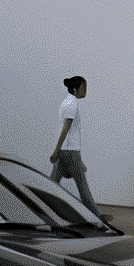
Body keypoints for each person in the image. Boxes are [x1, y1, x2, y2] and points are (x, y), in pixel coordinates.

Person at [49, 75, 101, 216]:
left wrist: (59, 151)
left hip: (66, 150)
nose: (85, 91)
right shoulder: (71, 104)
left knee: (52, 183)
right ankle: (95, 216)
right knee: (82, 185)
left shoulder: (67, 102)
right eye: (83, 88)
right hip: (70, 151)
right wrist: (56, 151)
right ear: (75, 89)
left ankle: (42, 208)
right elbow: (66, 129)